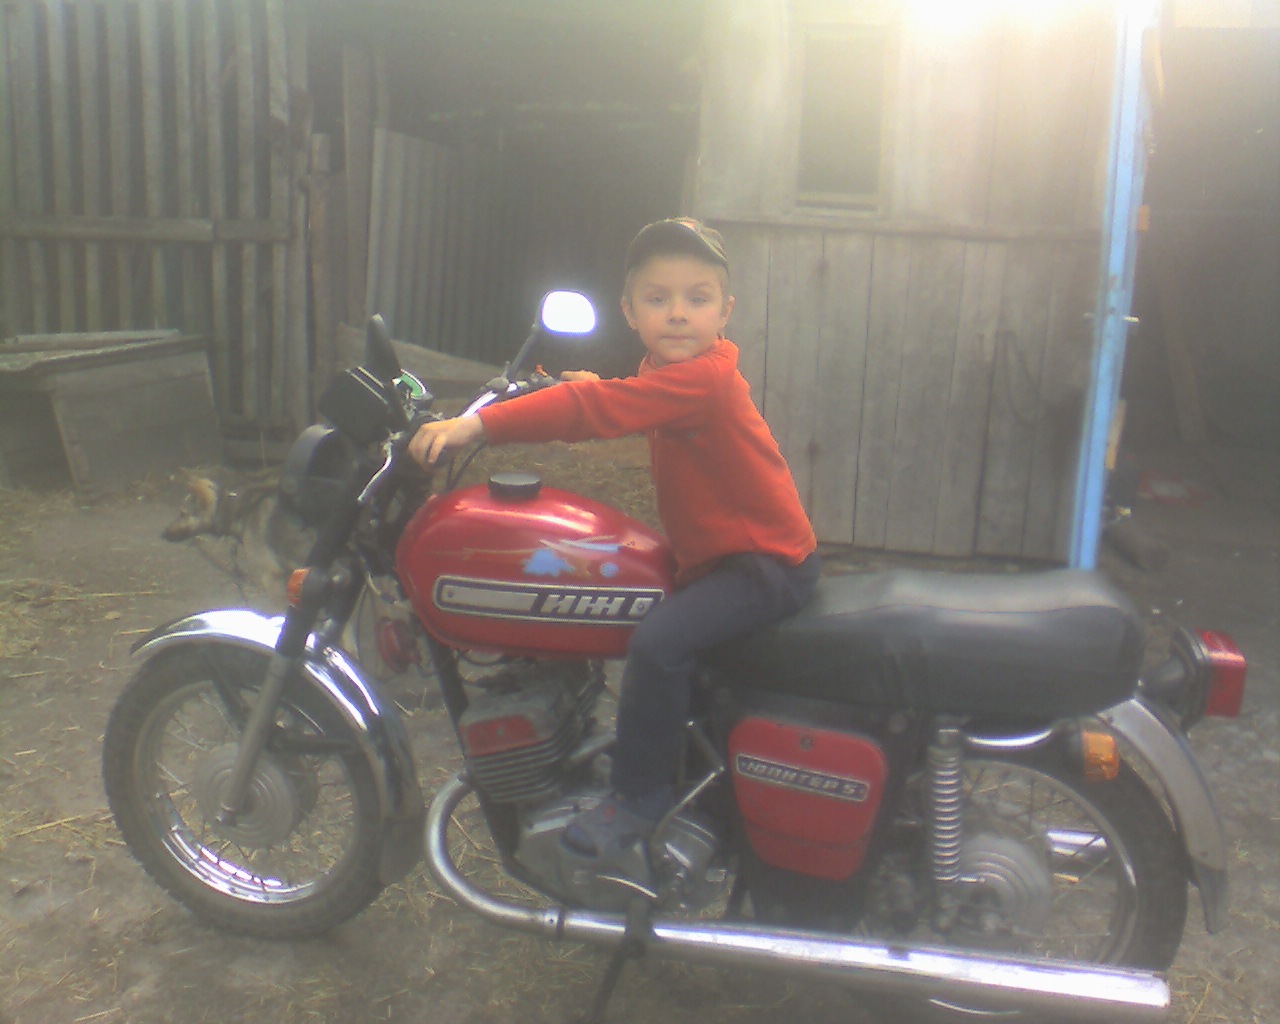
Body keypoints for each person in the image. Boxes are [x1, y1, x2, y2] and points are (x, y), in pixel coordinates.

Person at [409, 217, 819, 866]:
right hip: (730, 559)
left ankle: (638, 800)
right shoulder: (671, 374)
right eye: (658, 298)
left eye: (697, 298)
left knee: (656, 646)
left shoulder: (706, 379)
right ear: (630, 312)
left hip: (761, 567)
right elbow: (623, 397)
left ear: (725, 312)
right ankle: (693, 781)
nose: (677, 313)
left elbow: (599, 412)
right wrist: (582, 387)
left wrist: (478, 426)